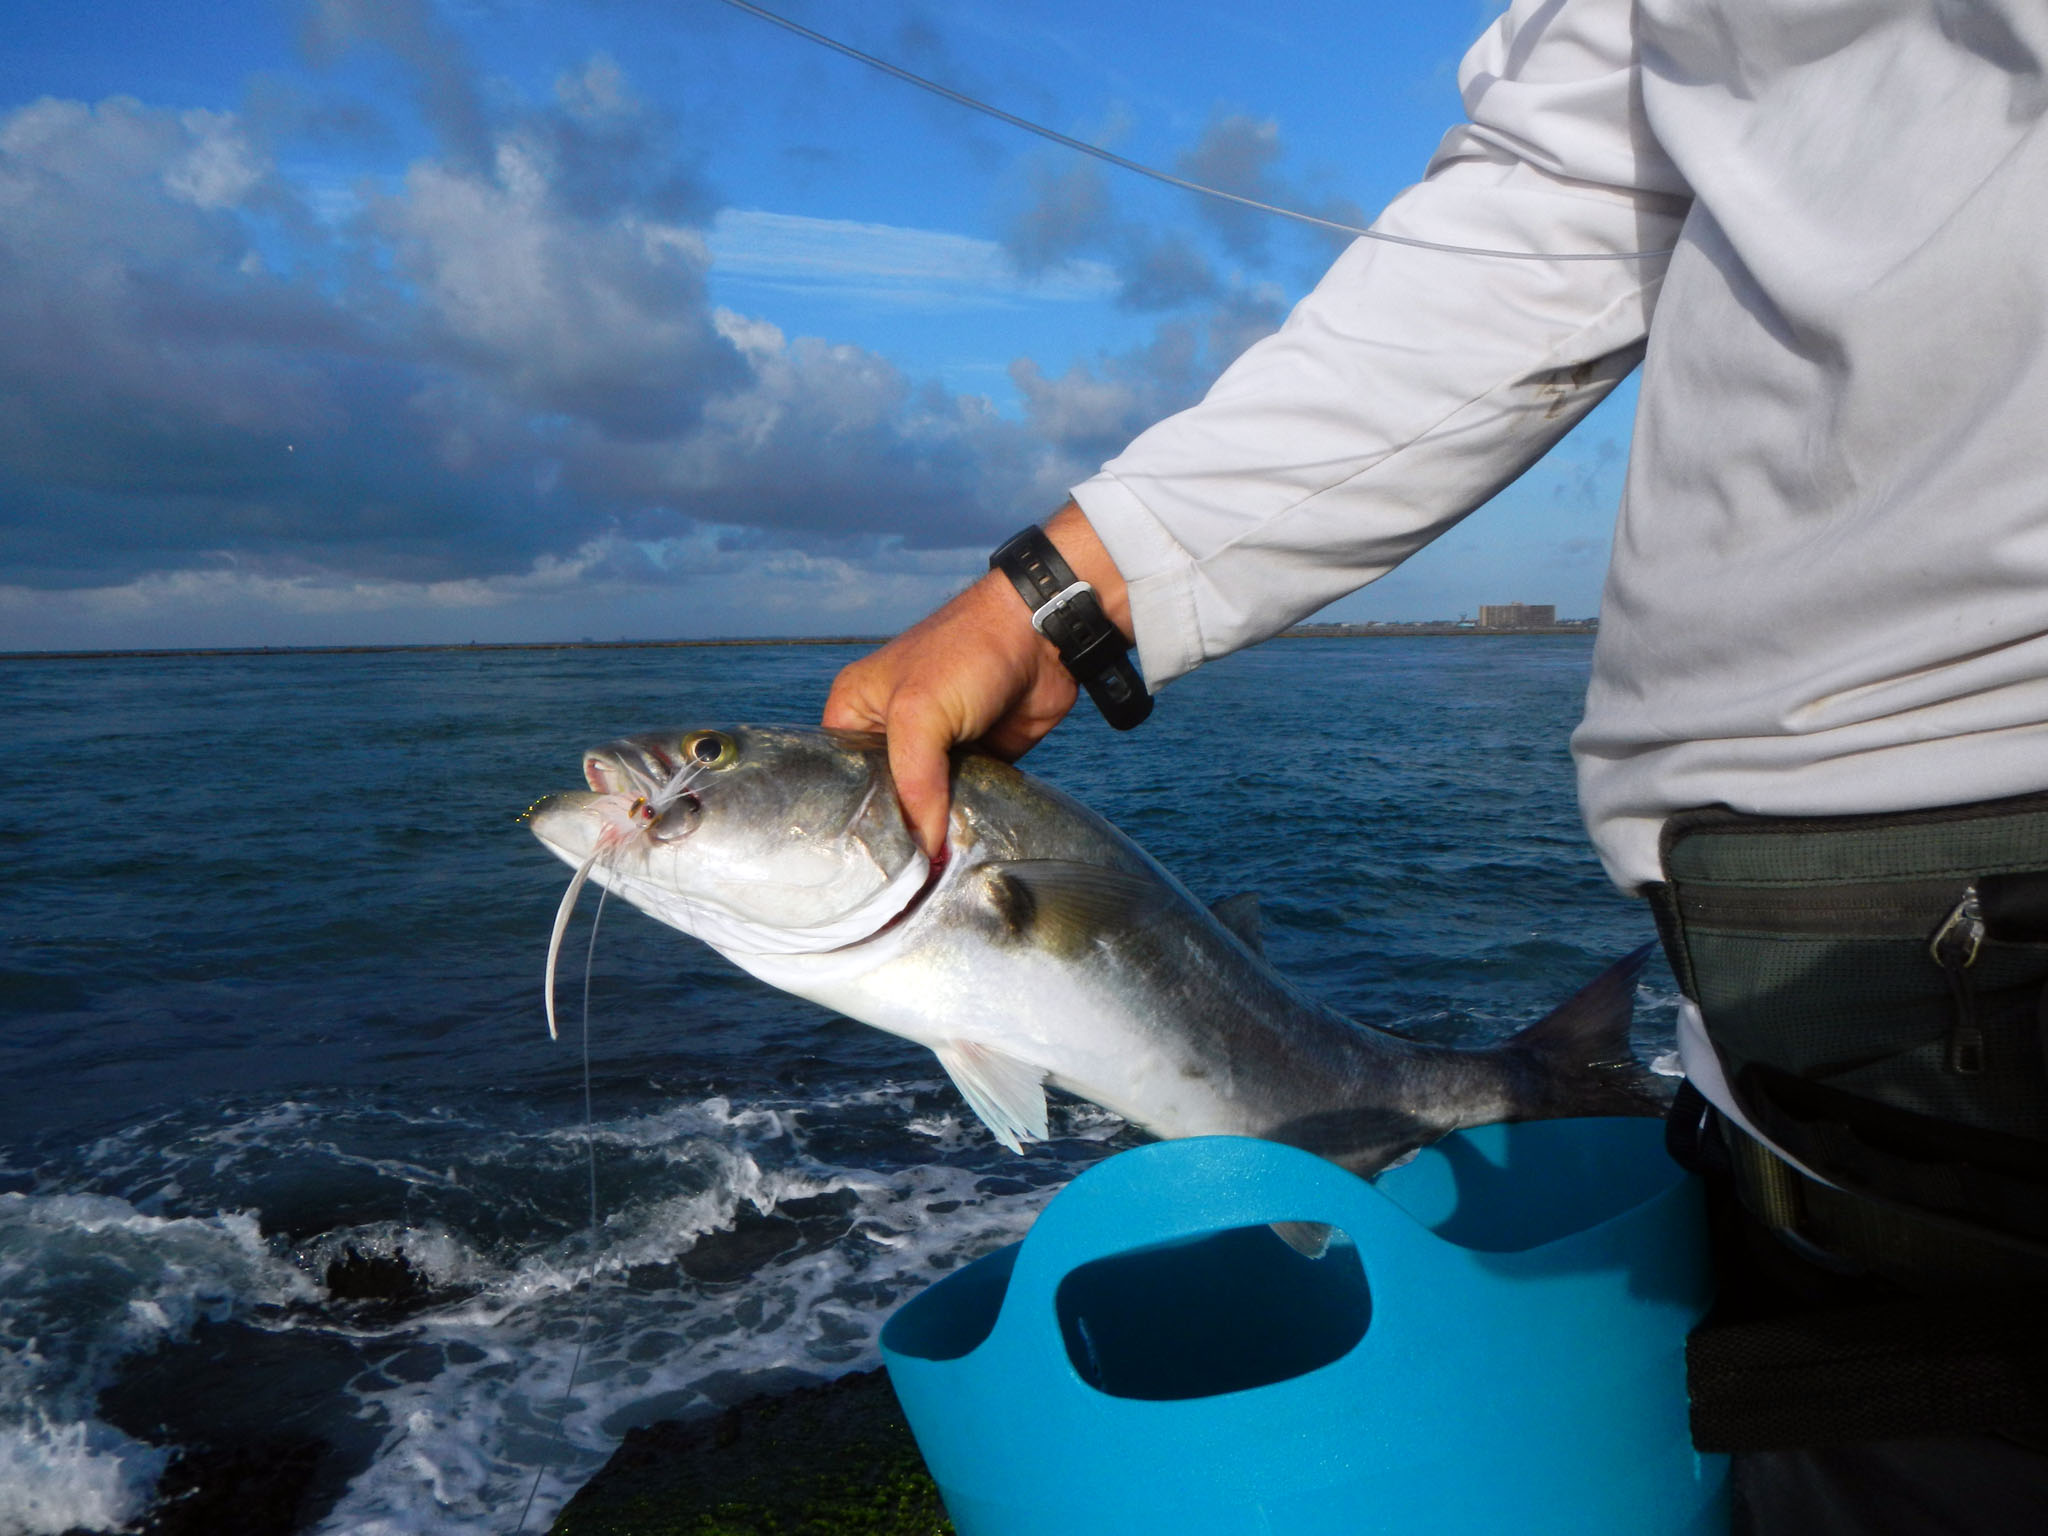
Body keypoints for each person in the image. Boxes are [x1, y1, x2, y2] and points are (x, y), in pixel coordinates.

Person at [826, 1, 2048, 1529]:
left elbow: (1566, 190)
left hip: (1943, 912)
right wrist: (1055, 600)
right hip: (1788, 995)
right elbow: (1571, 183)